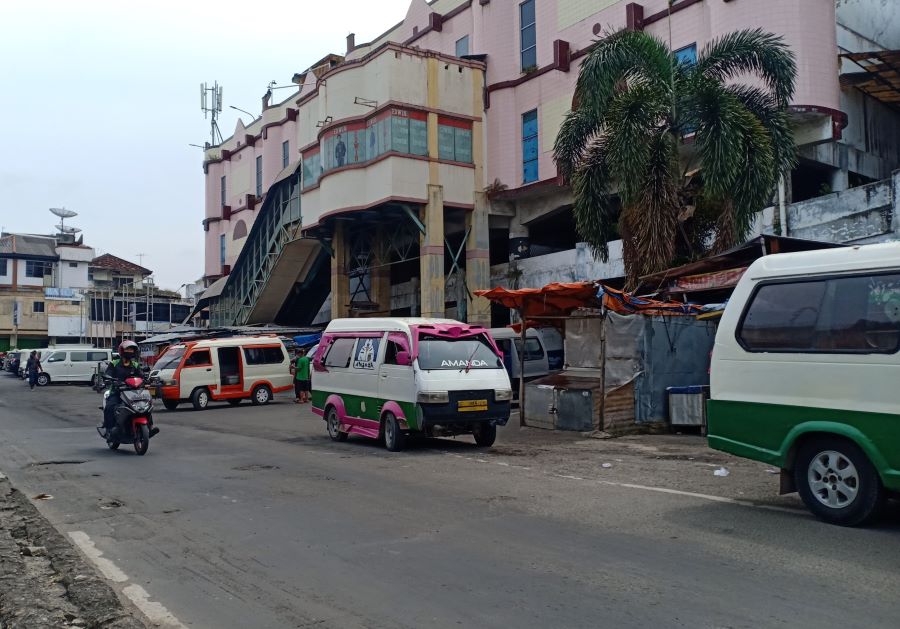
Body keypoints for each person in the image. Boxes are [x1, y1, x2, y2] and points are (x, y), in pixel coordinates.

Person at [101, 340, 143, 437]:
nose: (130, 351)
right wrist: (110, 379)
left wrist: (146, 379)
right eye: (128, 349)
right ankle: (109, 429)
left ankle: (150, 426)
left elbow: (141, 376)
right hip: (117, 391)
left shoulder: (135, 364)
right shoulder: (114, 363)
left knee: (145, 405)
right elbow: (108, 373)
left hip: (133, 392)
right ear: (122, 350)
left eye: (132, 349)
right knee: (110, 407)